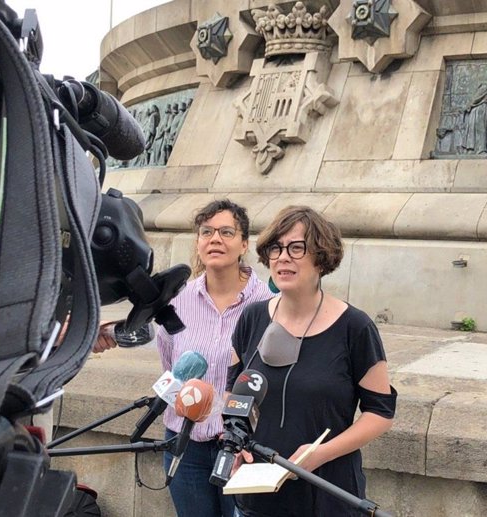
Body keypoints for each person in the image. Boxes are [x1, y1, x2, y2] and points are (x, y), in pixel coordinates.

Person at [227, 205, 396, 517]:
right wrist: (237, 444)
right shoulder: (251, 318)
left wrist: (322, 453)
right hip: (258, 499)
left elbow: (380, 413)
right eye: (275, 248)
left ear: (321, 257)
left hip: (328, 498)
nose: (282, 257)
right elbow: (234, 397)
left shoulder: (355, 327)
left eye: (296, 247)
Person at [157, 199, 273, 517]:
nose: (215, 239)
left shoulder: (269, 304)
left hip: (243, 448)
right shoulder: (178, 301)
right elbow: (171, 366)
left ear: (244, 243)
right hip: (185, 444)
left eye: (226, 231)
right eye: (206, 231)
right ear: (198, 241)